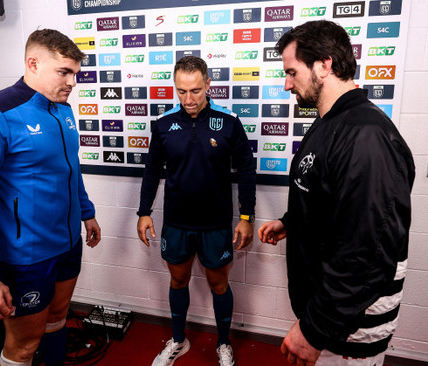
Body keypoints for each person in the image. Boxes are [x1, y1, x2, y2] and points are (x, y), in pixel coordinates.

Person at [257, 20, 415, 366]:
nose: (286, 85)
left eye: (291, 72)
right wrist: (292, 222)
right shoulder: (330, 121)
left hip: (351, 323)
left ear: (324, 65)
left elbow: (366, 251)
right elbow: (330, 198)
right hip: (332, 312)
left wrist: (315, 328)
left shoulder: (366, 137)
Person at [0, 29, 101, 366]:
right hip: (25, 257)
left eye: (75, 73)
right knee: (23, 344)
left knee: (56, 320)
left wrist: (87, 212)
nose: (72, 82)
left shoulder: (62, 111)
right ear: (33, 63)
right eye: (64, 72)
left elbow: (68, 169)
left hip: (67, 245)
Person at [137, 55, 256, 366]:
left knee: (219, 284)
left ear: (208, 85)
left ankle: (224, 344)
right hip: (176, 222)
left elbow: (246, 168)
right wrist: (143, 211)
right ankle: (178, 340)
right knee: (178, 281)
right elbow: (152, 170)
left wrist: (246, 217)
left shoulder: (228, 121)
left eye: (195, 91)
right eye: (181, 91)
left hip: (215, 223)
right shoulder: (164, 124)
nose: (188, 99)